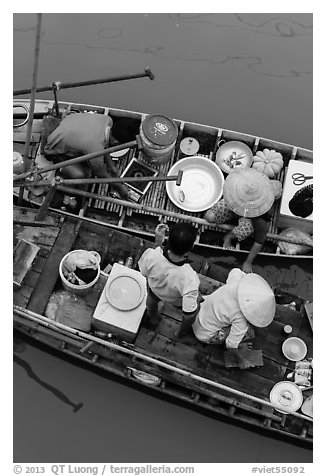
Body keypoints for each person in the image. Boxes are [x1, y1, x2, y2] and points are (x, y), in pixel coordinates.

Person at [192, 268, 276, 369]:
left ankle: (235, 340)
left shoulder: (237, 282)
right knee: (249, 332)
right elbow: (230, 345)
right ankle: (236, 345)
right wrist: (241, 361)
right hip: (204, 333)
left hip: (198, 311)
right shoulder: (242, 320)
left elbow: (235, 271)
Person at [43, 112, 139, 199]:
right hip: (53, 148)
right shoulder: (95, 147)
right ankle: (70, 192)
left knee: (91, 154)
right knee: (80, 175)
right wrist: (119, 186)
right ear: (116, 142)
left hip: (67, 124)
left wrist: (111, 166)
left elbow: (104, 145)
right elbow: (100, 173)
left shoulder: (107, 120)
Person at [204, 168, 282, 273]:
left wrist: (248, 262)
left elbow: (259, 242)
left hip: (248, 218)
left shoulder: (261, 218)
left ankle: (229, 237)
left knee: (246, 229)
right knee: (210, 217)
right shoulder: (243, 185)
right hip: (233, 207)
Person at [138, 222, 200, 338]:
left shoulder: (151, 255)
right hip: (176, 300)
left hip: (154, 290)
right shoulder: (190, 278)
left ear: (169, 240)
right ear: (191, 248)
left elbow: (144, 272)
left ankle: (154, 319)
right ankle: (180, 333)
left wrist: (158, 242)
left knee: (151, 301)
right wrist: (181, 330)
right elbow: (188, 315)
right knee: (196, 307)